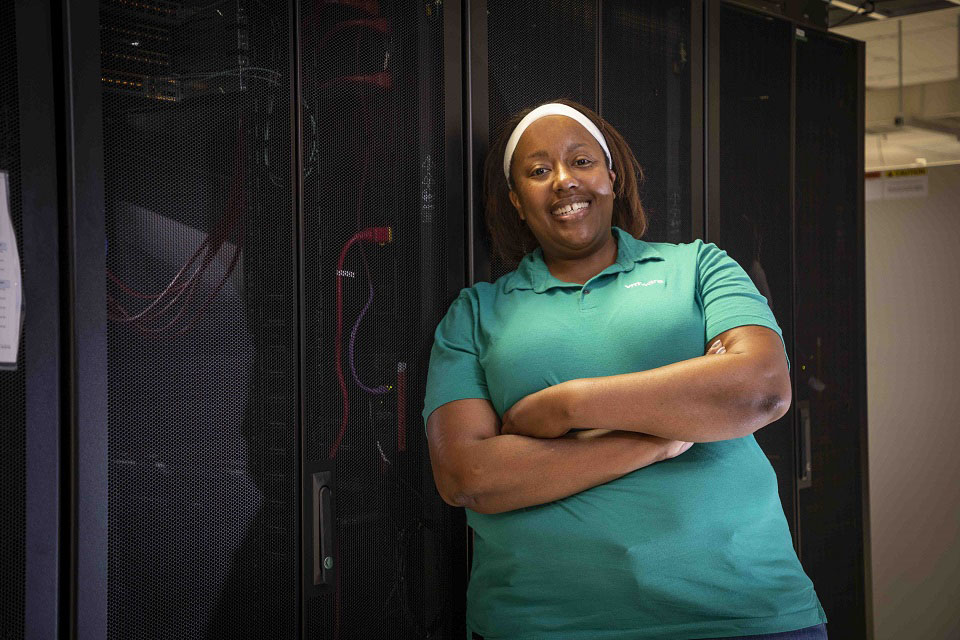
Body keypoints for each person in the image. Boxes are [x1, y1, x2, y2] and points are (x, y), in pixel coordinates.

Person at [421, 99, 828, 640]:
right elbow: (466, 476)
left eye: (581, 162)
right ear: (517, 202)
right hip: (541, 624)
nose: (564, 180)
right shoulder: (475, 313)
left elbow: (760, 392)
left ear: (612, 177)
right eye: (539, 171)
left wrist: (564, 406)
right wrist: (658, 437)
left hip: (742, 613)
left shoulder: (699, 267)